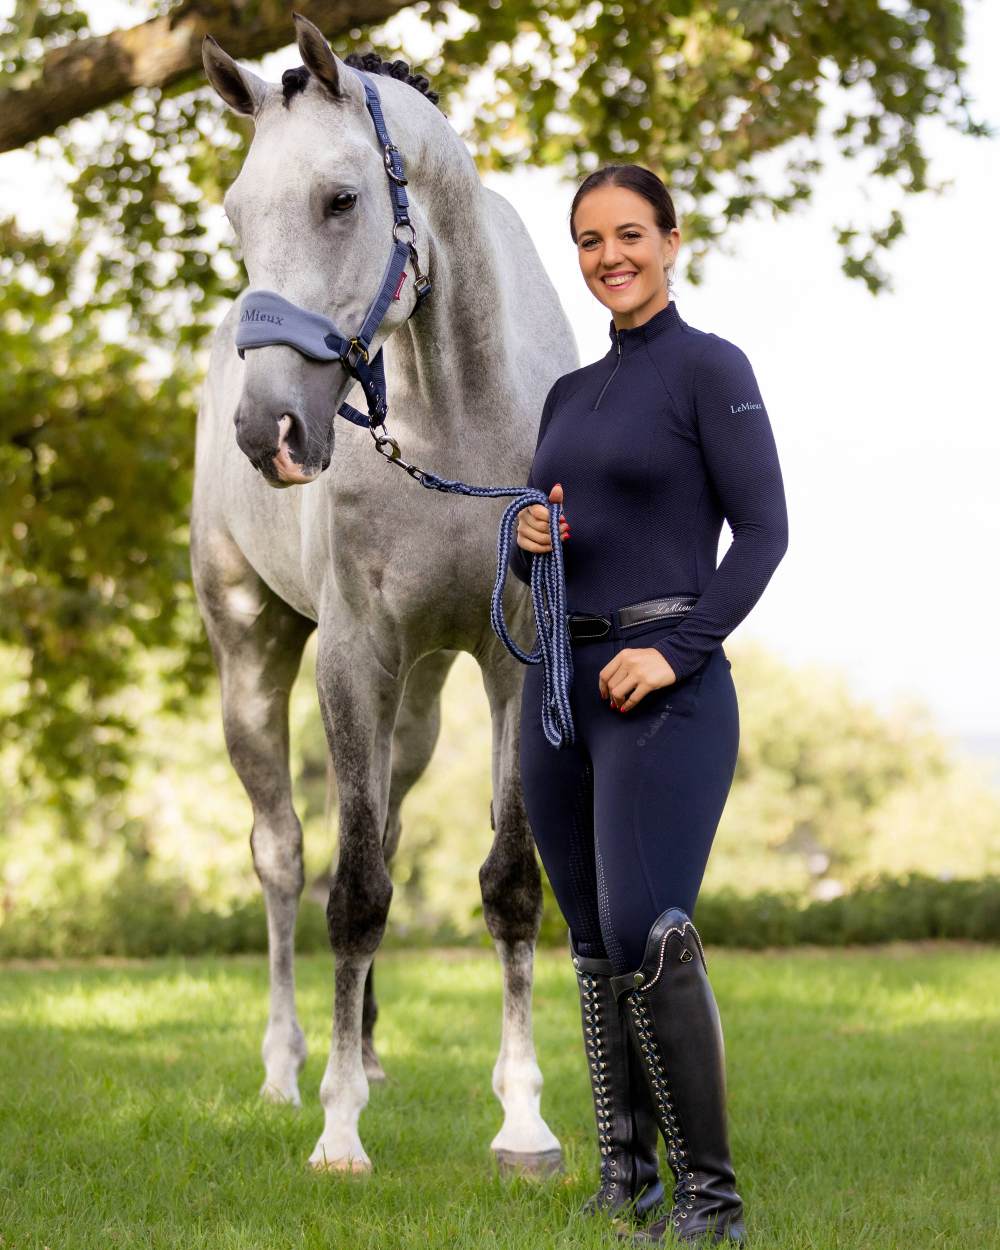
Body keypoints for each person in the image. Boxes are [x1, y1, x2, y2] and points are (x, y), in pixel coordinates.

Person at [508, 165, 788, 1245]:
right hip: (558, 690)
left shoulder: (711, 368)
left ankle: (711, 1200)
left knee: (646, 929)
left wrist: (673, 652)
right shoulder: (567, 396)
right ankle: (624, 1179)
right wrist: (532, 540)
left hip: (662, 687)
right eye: (588, 239)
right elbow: (567, 547)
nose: (608, 255)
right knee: (589, 935)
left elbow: (762, 535)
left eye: (629, 234)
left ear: (673, 241)